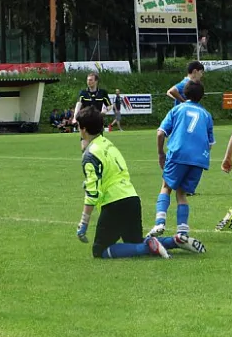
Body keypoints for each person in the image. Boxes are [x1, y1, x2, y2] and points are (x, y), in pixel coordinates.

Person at [75, 106, 206, 259]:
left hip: (114, 203)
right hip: (132, 198)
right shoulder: (108, 144)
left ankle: (148, 248)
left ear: (83, 129)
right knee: (133, 241)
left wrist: (83, 223)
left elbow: (92, 193)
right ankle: (174, 241)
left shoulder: (90, 154)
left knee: (100, 250)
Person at [147, 81, 214, 237]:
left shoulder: (177, 109)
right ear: (202, 97)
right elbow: (210, 143)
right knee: (182, 193)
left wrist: (160, 153)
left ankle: (159, 224)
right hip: (199, 160)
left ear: (184, 94)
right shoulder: (206, 115)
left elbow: (160, 133)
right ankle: (182, 231)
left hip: (178, 154)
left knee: (166, 186)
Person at [72, 72, 112, 150]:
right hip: (85, 122)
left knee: (98, 146)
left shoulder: (102, 93)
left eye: (91, 80)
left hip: (97, 121)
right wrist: (75, 117)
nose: (88, 82)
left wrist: (105, 111)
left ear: (96, 81)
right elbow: (78, 104)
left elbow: (110, 105)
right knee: (84, 147)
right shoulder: (83, 93)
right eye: (87, 80)